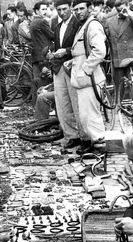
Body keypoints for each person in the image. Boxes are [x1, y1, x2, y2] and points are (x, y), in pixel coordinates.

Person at [66, 0, 106, 154]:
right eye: (75, 9)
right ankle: (93, 142)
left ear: (89, 8)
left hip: (91, 79)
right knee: (85, 116)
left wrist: (85, 69)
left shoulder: (93, 25)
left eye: (81, 8)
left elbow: (100, 52)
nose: (78, 12)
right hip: (83, 80)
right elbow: (82, 51)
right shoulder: (83, 25)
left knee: (92, 115)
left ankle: (100, 147)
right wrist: (73, 61)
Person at [52, 0, 86, 149]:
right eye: (59, 10)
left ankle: (84, 136)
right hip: (59, 68)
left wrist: (65, 51)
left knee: (77, 103)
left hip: (73, 66)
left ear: (70, 8)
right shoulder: (58, 26)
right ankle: (71, 136)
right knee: (62, 104)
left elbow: (80, 47)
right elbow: (57, 45)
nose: (62, 12)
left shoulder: (78, 23)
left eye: (64, 9)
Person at [104, 0, 133, 101]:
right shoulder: (109, 21)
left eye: (123, 8)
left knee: (132, 84)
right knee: (118, 85)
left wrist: (130, 15)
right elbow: (106, 37)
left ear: (128, 6)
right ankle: (119, 108)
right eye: (119, 9)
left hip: (132, 56)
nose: (121, 11)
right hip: (117, 57)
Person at [30, 1, 54, 79]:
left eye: (46, 9)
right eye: (43, 9)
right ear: (37, 11)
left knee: (37, 80)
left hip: (36, 55)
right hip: (44, 54)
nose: (45, 11)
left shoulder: (33, 22)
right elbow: (52, 36)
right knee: (46, 81)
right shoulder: (42, 21)